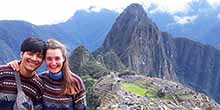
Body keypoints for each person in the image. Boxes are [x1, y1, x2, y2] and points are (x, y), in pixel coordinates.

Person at [10, 39, 87, 110]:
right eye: (49, 59)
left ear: (63, 58)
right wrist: (17, 64)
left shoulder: (76, 82)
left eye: (57, 58)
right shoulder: (40, 80)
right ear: (44, 60)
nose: (53, 63)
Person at [0, 37, 47, 110]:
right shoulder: (3, 73)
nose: (34, 59)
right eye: (30, 54)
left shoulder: (38, 86)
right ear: (21, 54)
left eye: (39, 56)